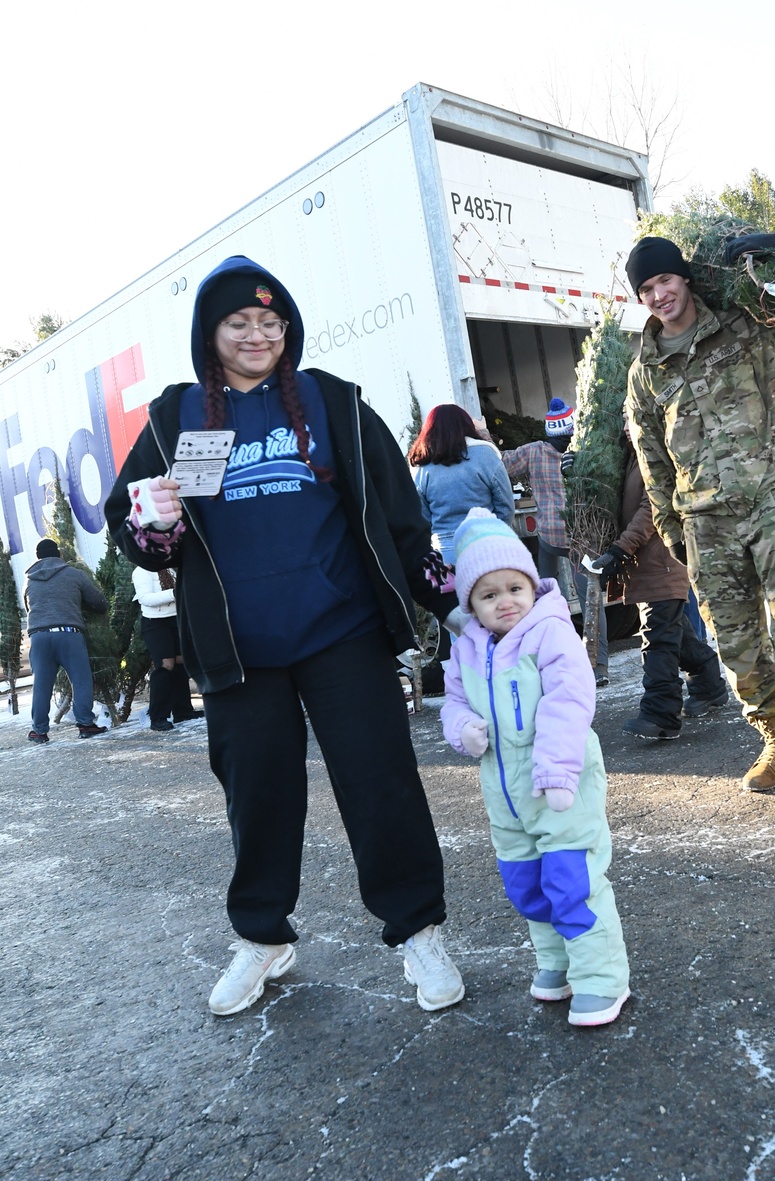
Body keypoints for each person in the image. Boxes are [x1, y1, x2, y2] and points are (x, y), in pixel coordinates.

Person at [105, 256, 466, 1017]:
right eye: (239, 322)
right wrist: (151, 522)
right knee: (258, 798)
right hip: (240, 650)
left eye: (270, 322)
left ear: (287, 331)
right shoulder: (176, 419)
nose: (256, 334)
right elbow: (133, 529)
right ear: (212, 334)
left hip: (343, 634)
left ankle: (417, 929)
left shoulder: (331, 402)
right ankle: (262, 936)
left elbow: (398, 511)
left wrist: (453, 599)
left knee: (381, 785)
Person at [624, 236, 775, 802]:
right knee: (737, 643)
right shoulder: (645, 372)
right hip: (703, 518)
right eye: (647, 288)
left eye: (666, 281)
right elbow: (651, 456)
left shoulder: (744, 324)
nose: (660, 295)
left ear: (685, 279)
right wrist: (672, 527)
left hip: (770, 499)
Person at [441, 508, 630, 1027]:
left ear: (532, 585)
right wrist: (461, 729)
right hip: (502, 793)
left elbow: (569, 701)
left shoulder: (548, 632)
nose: (505, 602)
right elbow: (453, 702)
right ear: (471, 605)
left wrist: (556, 770)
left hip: (557, 781)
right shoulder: (468, 647)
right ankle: (558, 962)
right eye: (489, 594)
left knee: (572, 881)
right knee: (527, 883)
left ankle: (602, 978)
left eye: (514, 588)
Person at [592, 419, 728, 740]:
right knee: (674, 634)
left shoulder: (656, 455)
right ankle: (709, 684)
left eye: (633, 420)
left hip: (664, 558)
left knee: (658, 638)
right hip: (645, 564)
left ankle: (661, 712)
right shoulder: (627, 458)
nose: (627, 426)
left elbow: (652, 508)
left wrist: (619, 550)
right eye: (623, 420)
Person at [502, 398, 610, 685]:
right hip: (582, 538)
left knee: (545, 602)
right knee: (591, 602)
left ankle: (551, 663)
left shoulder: (534, 452)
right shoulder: (587, 452)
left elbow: (500, 465)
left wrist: (483, 441)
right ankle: (597, 668)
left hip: (550, 537)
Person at [23, 539, 109, 743]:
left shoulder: (29, 580)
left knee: (42, 685)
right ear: (58, 554)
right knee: (80, 680)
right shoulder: (74, 574)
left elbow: (29, 608)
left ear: (38, 557)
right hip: (68, 633)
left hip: (39, 636)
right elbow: (98, 602)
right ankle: (86, 725)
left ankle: (39, 731)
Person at [409, 403, 514, 566]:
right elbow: (506, 507)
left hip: (445, 553)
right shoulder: (486, 454)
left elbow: (422, 518)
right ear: (466, 425)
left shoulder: (421, 466)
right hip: (486, 544)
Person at [131, 566, 204, 731]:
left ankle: (183, 711)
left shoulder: (173, 569)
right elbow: (145, 598)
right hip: (155, 622)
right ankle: (157, 717)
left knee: (181, 661)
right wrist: (174, 593)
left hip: (177, 619)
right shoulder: (142, 571)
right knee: (166, 664)